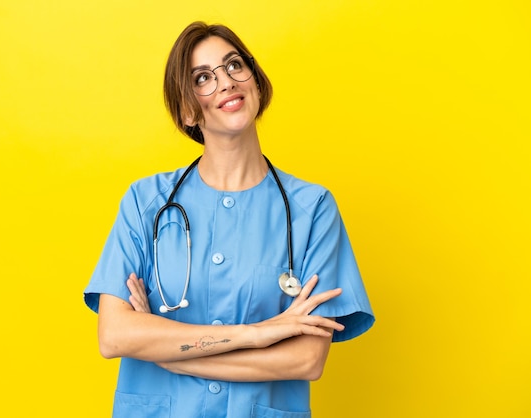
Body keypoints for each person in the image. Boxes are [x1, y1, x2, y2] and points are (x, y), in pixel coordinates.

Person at [84, 21, 374, 418]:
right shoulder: (146, 202)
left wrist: (170, 353)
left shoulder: (313, 209)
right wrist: (256, 335)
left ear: (256, 80)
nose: (226, 82)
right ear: (187, 109)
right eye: (203, 77)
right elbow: (115, 335)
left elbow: (306, 360)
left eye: (234, 65)